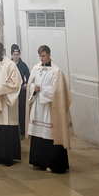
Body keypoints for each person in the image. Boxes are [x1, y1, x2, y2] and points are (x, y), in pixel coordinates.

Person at [26, 45, 72, 173]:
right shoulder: (36, 68)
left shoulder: (56, 72)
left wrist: (43, 90)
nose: (41, 58)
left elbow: (59, 92)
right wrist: (33, 88)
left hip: (50, 108)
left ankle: (55, 164)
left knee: (51, 134)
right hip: (38, 107)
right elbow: (30, 85)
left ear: (49, 55)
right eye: (40, 56)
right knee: (38, 134)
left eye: (44, 56)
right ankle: (39, 162)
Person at [10, 45, 30, 137]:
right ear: (11, 55)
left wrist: (26, 84)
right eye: (14, 54)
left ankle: (22, 132)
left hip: (21, 91)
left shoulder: (23, 65)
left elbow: (29, 76)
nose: (16, 56)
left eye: (17, 54)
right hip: (11, 90)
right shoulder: (9, 64)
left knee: (21, 111)